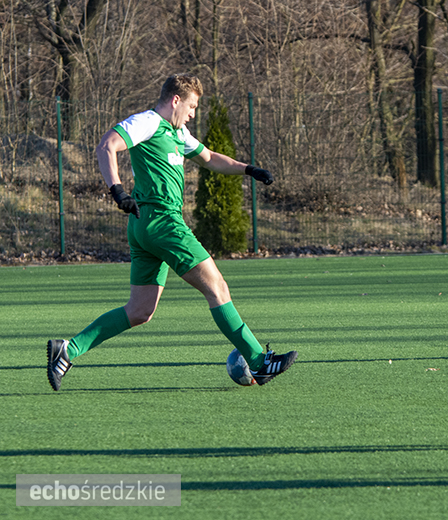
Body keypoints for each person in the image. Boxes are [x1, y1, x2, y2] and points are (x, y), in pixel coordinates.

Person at [47, 73, 297, 390]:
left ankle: (68, 350)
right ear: (176, 100)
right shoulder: (148, 122)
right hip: (162, 222)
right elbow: (107, 146)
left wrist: (248, 169)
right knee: (217, 287)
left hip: (144, 226)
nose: (193, 114)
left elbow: (209, 158)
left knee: (139, 310)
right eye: (191, 107)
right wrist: (117, 190)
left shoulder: (178, 132)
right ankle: (259, 362)